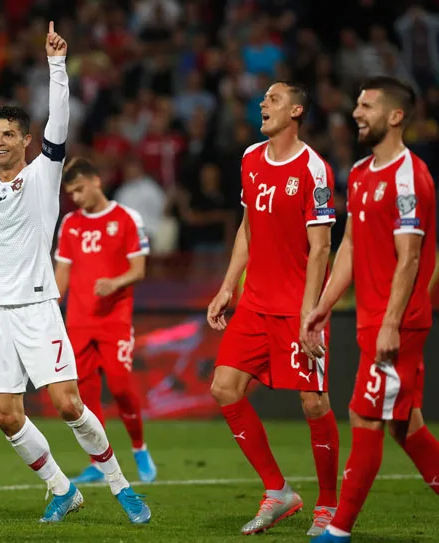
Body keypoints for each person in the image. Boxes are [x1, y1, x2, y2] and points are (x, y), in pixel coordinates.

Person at [0, 22, 150, 524]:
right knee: (5, 415)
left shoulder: (44, 175)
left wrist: (57, 65)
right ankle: (62, 489)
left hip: (38, 308)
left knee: (68, 404)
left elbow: (59, 124)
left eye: (8, 135)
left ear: (26, 140)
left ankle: (121, 486)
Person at [305, 76, 439, 543]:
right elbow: (349, 246)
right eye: (357, 104)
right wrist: (323, 304)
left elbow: (411, 258)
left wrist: (390, 324)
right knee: (404, 425)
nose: (356, 113)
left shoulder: (409, 177)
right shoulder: (361, 172)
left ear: (395, 116)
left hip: (396, 324)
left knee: (364, 416)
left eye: (367, 106)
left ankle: (338, 530)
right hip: (371, 319)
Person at [206, 81, 341, 536]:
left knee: (313, 402)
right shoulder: (250, 158)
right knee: (224, 388)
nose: (263, 103)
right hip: (255, 303)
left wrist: (311, 315)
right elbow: (247, 228)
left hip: (297, 306)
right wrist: (228, 286)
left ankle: (328, 505)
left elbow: (320, 248)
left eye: (275, 98)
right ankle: (278, 490)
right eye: (263, 98)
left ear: (297, 111)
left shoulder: (314, 169)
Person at [54, 157, 158, 484]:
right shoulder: (70, 223)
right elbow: (62, 275)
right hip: (79, 321)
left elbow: (139, 269)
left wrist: (114, 283)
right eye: (71, 193)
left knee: (121, 387)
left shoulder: (127, 218)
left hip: (114, 319)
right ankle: (99, 463)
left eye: (79, 189)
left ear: (96, 181)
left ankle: (139, 447)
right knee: (84, 397)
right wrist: (48, 308)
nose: (76, 197)